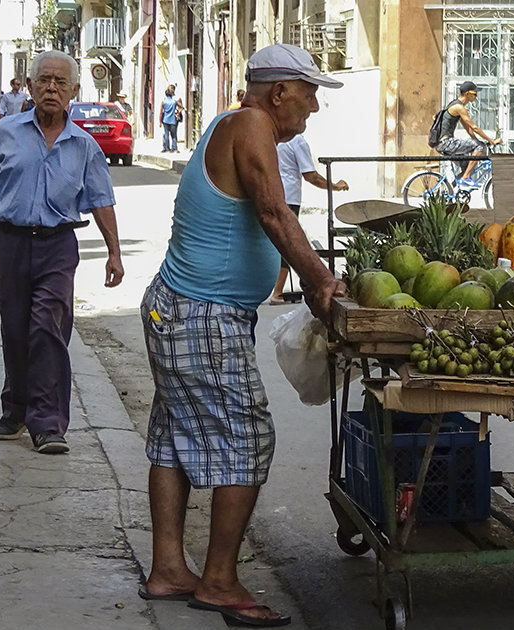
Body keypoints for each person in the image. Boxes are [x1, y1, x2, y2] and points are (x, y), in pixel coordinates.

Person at [138, 43, 345, 627]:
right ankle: (220, 580)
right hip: (202, 313)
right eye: (309, 94)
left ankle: (169, 569)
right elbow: (275, 213)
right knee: (249, 437)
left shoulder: (229, 123)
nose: (313, 107)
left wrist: (312, 277)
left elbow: (271, 217)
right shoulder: (251, 123)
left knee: (175, 437)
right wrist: (320, 283)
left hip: (179, 308)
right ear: (280, 92)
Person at [0, 50, 125, 455]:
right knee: (15, 331)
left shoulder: (84, 146)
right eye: (44, 80)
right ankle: (15, 410)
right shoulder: (5, 133)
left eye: (60, 82)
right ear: (29, 87)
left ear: (73, 91)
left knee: (47, 330)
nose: (52, 88)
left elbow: (101, 201)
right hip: (8, 242)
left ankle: (48, 423)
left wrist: (114, 253)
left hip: (57, 246)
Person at [269, 133, 349, 304]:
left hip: (273, 192)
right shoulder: (297, 141)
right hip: (289, 196)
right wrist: (335, 186)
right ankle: (277, 291)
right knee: (287, 242)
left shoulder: (275, 137)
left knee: (274, 241)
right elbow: (311, 175)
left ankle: (273, 288)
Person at [435, 81, 502, 182]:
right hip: (446, 143)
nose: (476, 96)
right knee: (480, 147)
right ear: (467, 93)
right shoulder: (459, 107)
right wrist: (491, 140)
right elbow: (474, 127)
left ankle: (449, 191)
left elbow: (468, 128)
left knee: (467, 167)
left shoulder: (455, 105)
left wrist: (475, 140)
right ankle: (466, 178)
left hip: (442, 144)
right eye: (474, 94)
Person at [161, 85, 184, 152]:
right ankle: (166, 147)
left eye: (170, 89)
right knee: (167, 134)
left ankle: (173, 147)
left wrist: (178, 112)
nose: (170, 90)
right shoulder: (168, 99)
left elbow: (181, 107)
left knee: (172, 134)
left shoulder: (176, 98)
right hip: (170, 118)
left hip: (173, 118)